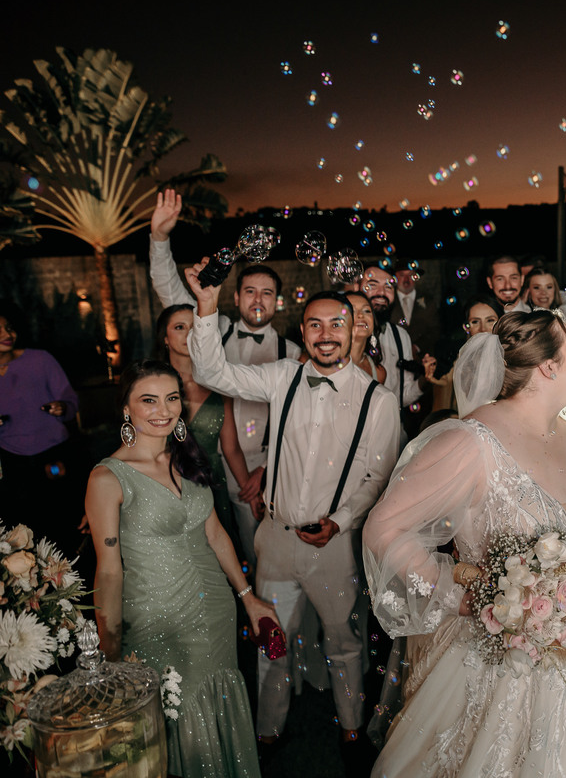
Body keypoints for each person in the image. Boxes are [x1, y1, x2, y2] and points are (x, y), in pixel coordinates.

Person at [363, 310, 566, 777]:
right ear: (550, 367)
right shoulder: (471, 442)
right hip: (508, 659)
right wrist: (462, 595)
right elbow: (382, 528)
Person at [184, 263, 401, 766]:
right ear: (302, 332)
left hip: (335, 547)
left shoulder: (378, 400)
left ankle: (351, 730)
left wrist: (340, 521)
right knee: (272, 641)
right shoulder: (283, 376)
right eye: (315, 325)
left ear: (353, 330)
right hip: (276, 540)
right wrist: (207, 306)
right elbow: (212, 372)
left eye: (336, 324)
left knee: (344, 644)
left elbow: (379, 477)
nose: (326, 335)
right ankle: (268, 731)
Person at [84, 359, 279, 777]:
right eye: (148, 400)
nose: (163, 410)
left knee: (218, 708)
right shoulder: (107, 479)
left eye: (171, 398)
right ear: (126, 409)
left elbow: (216, 534)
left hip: (217, 612)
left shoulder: (186, 458)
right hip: (159, 620)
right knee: (177, 726)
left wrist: (249, 599)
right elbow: (109, 572)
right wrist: (109, 651)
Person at [148, 189, 301, 569]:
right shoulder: (212, 329)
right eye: (250, 291)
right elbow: (172, 295)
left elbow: (301, 420)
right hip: (218, 463)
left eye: (267, 293)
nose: (258, 300)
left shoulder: (294, 353)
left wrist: (268, 468)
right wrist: (160, 238)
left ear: (277, 301)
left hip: (277, 465)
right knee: (234, 550)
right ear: (236, 297)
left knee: (278, 555)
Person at [156, 304, 254, 544]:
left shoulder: (219, 383)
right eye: (179, 327)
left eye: (194, 327)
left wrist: (250, 493)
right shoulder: (150, 384)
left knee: (218, 549)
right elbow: (134, 441)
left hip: (211, 482)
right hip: (165, 482)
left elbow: (231, 448)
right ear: (165, 338)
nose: (188, 334)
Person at [0, 301, 81, 548]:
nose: (7, 334)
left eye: (9, 327)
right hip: (12, 464)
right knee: (23, 534)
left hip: (53, 457)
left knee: (63, 526)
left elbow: (70, 398)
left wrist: (63, 406)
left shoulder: (40, 360)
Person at [353, 266, 421, 434]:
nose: (381, 293)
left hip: (393, 434)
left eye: (388, 287)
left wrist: (426, 380)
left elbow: (403, 397)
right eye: (372, 285)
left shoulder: (401, 336)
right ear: (356, 288)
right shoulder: (340, 335)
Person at [425, 295, 504, 413]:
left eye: (490, 320)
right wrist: (432, 375)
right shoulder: (460, 358)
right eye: (475, 322)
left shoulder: (512, 358)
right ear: (467, 327)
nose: (483, 329)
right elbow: (447, 383)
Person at [344, 291, 387, 383]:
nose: (360, 315)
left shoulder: (379, 373)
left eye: (367, 311)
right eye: (352, 310)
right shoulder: (323, 365)